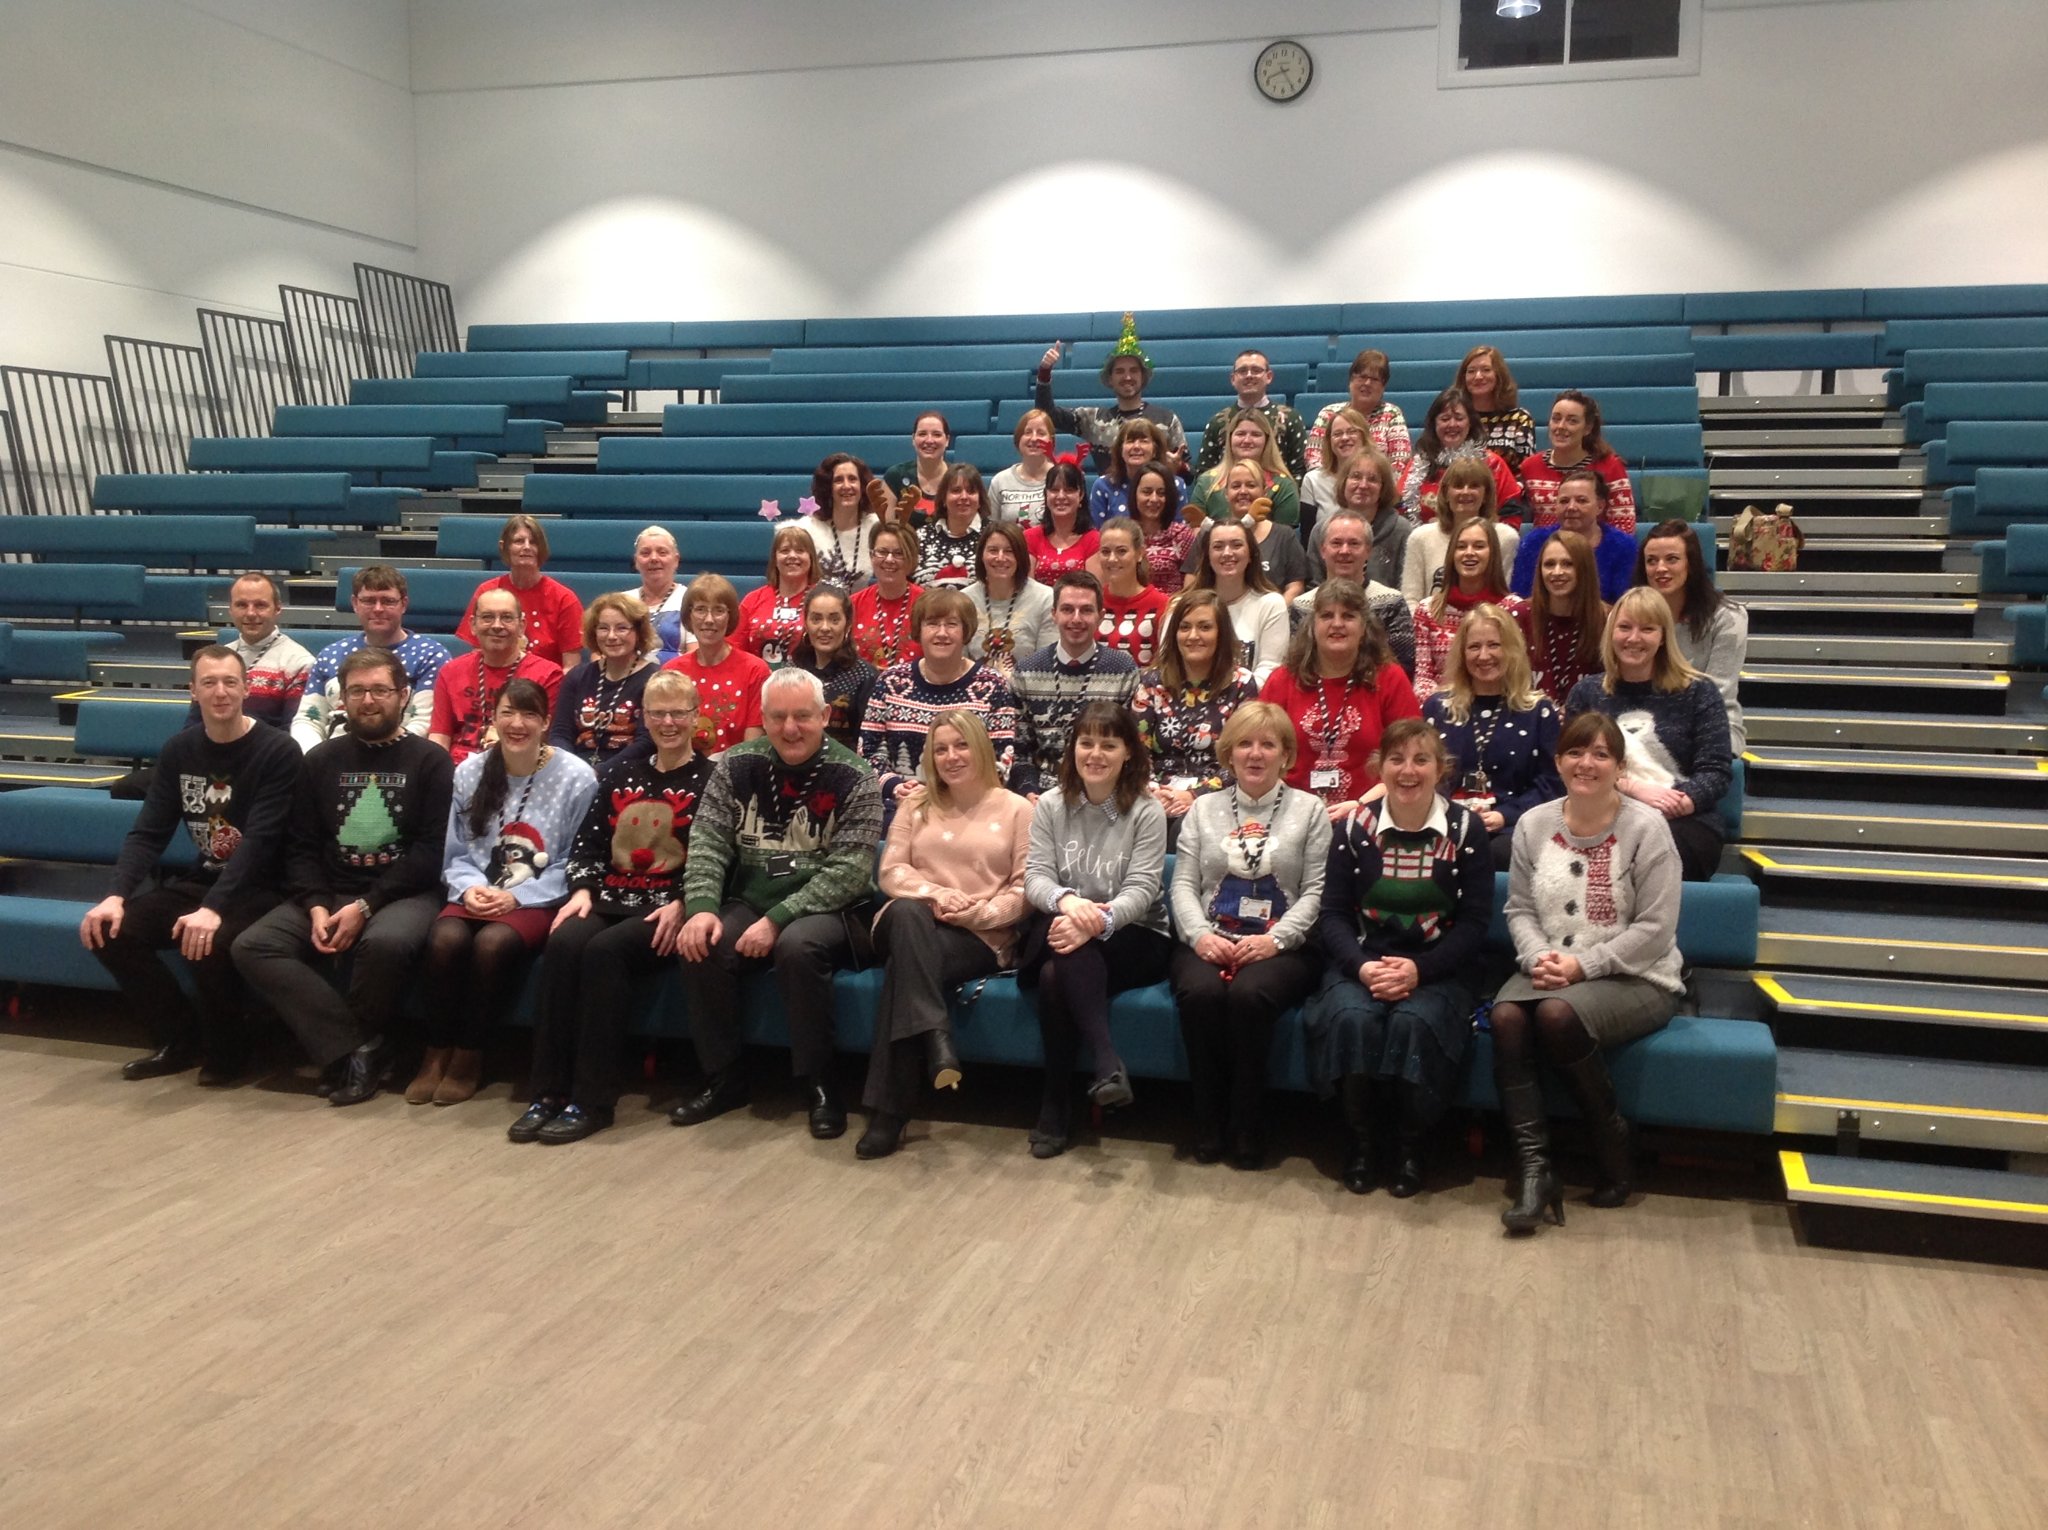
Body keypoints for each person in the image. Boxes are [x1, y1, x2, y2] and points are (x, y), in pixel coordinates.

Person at [232, 647, 456, 1106]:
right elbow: (301, 845)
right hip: (328, 889)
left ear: (403, 695)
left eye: (379, 690)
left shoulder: (431, 761)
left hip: (403, 893)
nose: (368, 701)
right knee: (253, 945)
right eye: (357, 691)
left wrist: (366, 906)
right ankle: (358, 1048)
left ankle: (350, 1054)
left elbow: (430, 852)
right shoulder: (319, 760)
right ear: (342, 699)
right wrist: (316, 904)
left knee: (386, 943)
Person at [1491, 711, 1684, 1233]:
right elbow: (1519, 911)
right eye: (1576, 752)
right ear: (1558, 762)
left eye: (1601, 754)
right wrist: (1537, 959)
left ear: (1620, 767)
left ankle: (1613, 1145)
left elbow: (1657, 929)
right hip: (1552, 964)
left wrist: (1586, 965)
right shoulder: (1534, 824)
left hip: (1637, 975)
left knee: (1555, 1016)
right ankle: (1536, 1173)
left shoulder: (1648, 829)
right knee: (1506, 1017)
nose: (1587, 763)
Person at [673, 668, 884, 1139]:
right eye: (779, 717)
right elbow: (707, 843)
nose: (791, 728)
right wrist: (702, 905)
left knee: (797, 948)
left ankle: (821, 1084)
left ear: (825, 716)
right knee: (702, 942)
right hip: (749, 896)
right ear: (763, 719)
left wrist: (777, 919)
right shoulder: (734, 765)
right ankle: (725, 1078)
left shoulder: (856, 775)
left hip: (833, 909)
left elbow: (849, 873)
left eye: (803, 716)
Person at [83, 646, 300, 1083]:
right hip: (206, 879)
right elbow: (149, 832)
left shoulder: (278, 750)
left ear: (246, 689)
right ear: (193, 692)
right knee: (110, 931)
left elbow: (260, 842)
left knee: (207, 937)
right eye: (209, 683)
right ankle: (180, 1039)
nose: (220, 692)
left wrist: (213, 907)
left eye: (230, 682)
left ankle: (231, 1049)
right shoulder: (180, 749)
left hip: (266, 887)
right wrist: (115, 896)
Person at [518, 670, 712, 1144]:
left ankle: (592, 1100)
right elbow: (587, 846)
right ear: (644, 717)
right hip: (606, 896)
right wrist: (581, 891)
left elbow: (715, 854)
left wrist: (686, 902)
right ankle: (545, 1093)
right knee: (564, 943)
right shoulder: (619, 774)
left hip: (663, 908)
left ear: (694, 717)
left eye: (678, 713)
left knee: (605, 953)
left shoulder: (712, 780)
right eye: (658, 713)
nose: (668, 722)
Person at [1307, 719, 1494, 1197]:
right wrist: (1363, 967)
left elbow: (1474, 925)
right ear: (1379, 767)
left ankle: (1411, 1147)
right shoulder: (1352, 828)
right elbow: (1332, 916)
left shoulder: (1466, 829)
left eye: (1420, 759)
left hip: (1439, 967)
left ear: (1441, 769)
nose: (1408, 770)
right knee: (1351, 1017)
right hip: (1364, 960)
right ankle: (1363, 1145)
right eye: (1396, 759)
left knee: (1415, 1021)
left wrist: (1419, 970)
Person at [409, 678, 598, 1107]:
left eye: (529, 714)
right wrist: (470, 887)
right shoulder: (470, 772)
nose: (517, 723)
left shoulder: (576, 777)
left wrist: (519, 896)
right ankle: (435, 1051)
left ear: (546, 722)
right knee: (445, 939)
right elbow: (454, 850)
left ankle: (469, 1056)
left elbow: (576, 858)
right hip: (474, 890)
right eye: (508, 712)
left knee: (492, 944)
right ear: (492, 719)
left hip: (537, 895)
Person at [855, 710, 1032, 1159]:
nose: (951, 757)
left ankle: (889, 1115)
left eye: (961, 745)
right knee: (911, 917)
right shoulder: (916, 804)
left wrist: (981, 914)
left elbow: (1026, 888)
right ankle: (936, 1036)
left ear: (981, 748)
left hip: (975, 938)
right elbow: (892, 871)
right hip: (908, 918)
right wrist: (936, 897)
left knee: (907, 968)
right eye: (940, 748)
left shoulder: (1018, 809)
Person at [1169, 702, 1330, 1169]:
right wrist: (1199, 936)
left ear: (1285, 754)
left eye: (1268, 744)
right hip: (1209, 934)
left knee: (1248, 995)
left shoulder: (1310, 810)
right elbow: (1182, 884)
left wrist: (1276, 941)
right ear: (1229, 752)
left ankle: (1246, 1122)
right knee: (1198, 993)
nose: (1255, 754)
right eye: (1244, 743)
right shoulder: (1203, 810)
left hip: (1285, 943)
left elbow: (1317, 891)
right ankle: (1206, 1119)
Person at [1021, 702, 1173, 1157]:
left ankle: (1056, 1103)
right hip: (1068, 923)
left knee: (1057, 969)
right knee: (1057, 963)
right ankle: (1106, 1065)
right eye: (1086, 742)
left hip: (1137, 934)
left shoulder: (1147, 811)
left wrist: (1099, 920)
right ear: (1073, 749)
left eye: (1109, 744)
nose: (1096, 753)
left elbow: (1144, 888)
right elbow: (1036, 878)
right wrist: (1070, 904)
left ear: (1129, 752)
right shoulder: (1050, 805)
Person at [1565, 587, 1732, 882]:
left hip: (1683, 819)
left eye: (1647, 629)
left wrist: (1677, 802)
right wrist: (1633, 790)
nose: (1633, 638)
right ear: (1610, 633)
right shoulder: (1586, 693)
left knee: (1651, 852)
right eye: (1625, 627)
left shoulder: (1699, 692)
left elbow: (1716, 772)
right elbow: (1573, 767)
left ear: (1663, 636)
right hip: (1602, 812)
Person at [1261, 579, 1421, 818]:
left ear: (1364, 627)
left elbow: (1412, 757)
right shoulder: (1283, 680)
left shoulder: (1390, 679)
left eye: (1348, 616)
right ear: (1312, 626)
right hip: (1289, 813)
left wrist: (1362, 805)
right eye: (1326, 616)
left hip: (1370, 812)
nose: (1337, 624)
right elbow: (1255, 749)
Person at [1422, 605, 1562, 867]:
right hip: (1444, 821)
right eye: (1474, 647)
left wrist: (1505, 815)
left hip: (1513, 827)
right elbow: (1426, 774)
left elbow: (1551, 784)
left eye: (1494, 645)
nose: (1484, 656)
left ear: (1511, 650)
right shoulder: (1437, 707)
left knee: (1497, 853)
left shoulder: (1539, 712)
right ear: (1462, 654)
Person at [859, 588, 1022, 802]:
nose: (942, 633)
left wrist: (950, 794)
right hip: (901, 805)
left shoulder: (992, 685)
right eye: (932, 623)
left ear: (966, 631)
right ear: (919, 629)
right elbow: (868, 751)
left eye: (952, 624)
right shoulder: (890, 681)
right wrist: (896, 787)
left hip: (969, 807)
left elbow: (1003, 757)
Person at [1129, 590, 1259, 818]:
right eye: (1185, 627)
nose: (1193, 636)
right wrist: (1155, 793)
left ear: (1221, 634)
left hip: (1219, 799)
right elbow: (1138, 752)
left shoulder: (1241, 684)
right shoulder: (1151, 683)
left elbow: (1244, 757)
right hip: (1157, 798)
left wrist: (1194, 795)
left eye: (1205, 627)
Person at [1010, 571, 1139, 794]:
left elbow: (1130, 747)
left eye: (1086, 610)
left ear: (1100, 615)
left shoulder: (1123, 670)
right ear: (1054, 614)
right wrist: (1028, 792)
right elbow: (1020, 750)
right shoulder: (1026, 672)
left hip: (1104, 790)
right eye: (1067, 609)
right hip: (1041, 792)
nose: (1076, 619)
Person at [291, 565, 448, 749]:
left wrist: (377, 756)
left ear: (403, 604)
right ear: (355, 603)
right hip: (332, 759)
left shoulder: (430, 655)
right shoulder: (330, 655)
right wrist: (315, 758)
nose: (378, 609)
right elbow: (308, 719)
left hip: (399, 758)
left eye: (388, 601)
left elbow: (422, 723)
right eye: (368, 601)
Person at [1637, 519, 1749, 752]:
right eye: (1652, 561)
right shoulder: (1633, 616)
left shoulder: (1728, 618)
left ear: (1691, 564)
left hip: (1712, 726)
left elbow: (1716, 696)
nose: (1660, 569)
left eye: (1672, 559)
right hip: (1642, 722)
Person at [428, 585, 565, 764]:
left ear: (522, 625)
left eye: (507, 617)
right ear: (472, 625)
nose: (497, 625)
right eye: (487, 617)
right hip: (457, 771)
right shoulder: (450, 671)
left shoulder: (548, 674)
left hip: (516, 768)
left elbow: (543, 741)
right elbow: (440, 736)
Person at [1034, 317, 1187, 475]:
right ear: (1110, 379)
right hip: (1107, 499)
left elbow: (1189, 474)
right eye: (1120, 371)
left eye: (1133, 371)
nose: (1127, 377)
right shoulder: (1094, 420)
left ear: (1143, 377)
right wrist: (1044, 372)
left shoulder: (1167, 420)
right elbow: (1047, 415)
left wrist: (1178, 467)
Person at [1412, 520, 1531, 703]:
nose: (1469, 553)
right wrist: (1451, 705)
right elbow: (1422, 678)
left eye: (1479, 546)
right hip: (1444, 711)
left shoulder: (1514, 609)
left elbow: (1518, 674)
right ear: (1452, 554)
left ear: (1492, 554)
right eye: (1461, 546)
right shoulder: (1427, 610)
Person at [1293, 507, 1414, 676]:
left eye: (1354, 543)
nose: (1344, 551)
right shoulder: (1301, 607)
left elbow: (1405, 667)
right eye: (1336, 543)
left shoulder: (1392, 602)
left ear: (1368, 551)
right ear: (1322, 550)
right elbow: (1296, 666)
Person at [183, 573, 312, 731]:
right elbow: (193, 727)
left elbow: (293, 732)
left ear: (277, 608)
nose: (250, 613)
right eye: (242, 605)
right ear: (230, 609)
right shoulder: (211, 662)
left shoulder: (299, 663)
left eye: (260, 605)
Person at [455, 513, 585, 668]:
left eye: (534, 542)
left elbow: (571, 668)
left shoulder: (564, 598)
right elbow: (478, 653)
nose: (527, 547)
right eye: (519, 541)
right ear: (504, 547)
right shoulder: (487, 592)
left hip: (545, 687)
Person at [661, 574, 769, 754]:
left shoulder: (755, 671)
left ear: (730, 616)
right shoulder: (672, 672)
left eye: (718, 610)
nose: (709, 619)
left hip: (735, 774)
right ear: (689, 615)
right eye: (701, 609)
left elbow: (751, 750)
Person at [550, 593, 655, 768]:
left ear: (638, 632)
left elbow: (646, 742)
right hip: (576, 772)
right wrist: (571, 769)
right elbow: (560, 733)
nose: (612, 636)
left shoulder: (653, 680)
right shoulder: (577, 676)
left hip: (629, 771)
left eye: (622, 628)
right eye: (604, 628)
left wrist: (601, 771)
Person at [1400, 457, 1522, 604]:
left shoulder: (1506, 538)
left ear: (1486, 495)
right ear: (1445, 494)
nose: (1465, 492)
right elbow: (1410, 600)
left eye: (1474, 486)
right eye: (1458, 486)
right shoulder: (1420, 538)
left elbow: (1504, 599)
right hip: (1430, 623)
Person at [1510, 468, 1637, 603]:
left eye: (1581, 501)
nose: (1571, 507)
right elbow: (1519, 599)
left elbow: (1626, 607)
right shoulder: (1534, 542)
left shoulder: (1623, 547)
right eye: (1564, 501)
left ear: (1600, 506)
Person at [1519, 390, 1638, 534]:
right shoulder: (1530, 466)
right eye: (1556, 419)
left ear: (1587, 428)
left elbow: (1624, 526)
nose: (1561, 426)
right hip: (1547, 551)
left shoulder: (1610, 466)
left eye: (1572, 421)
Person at [1187, 517, 1290, 681]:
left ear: (1250, 555)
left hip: (1251, 704)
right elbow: (1169, 665)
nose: (1227, 553)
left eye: (1237, 545)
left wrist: (1230, 700)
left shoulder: (1271, 604)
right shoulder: (1183, 607)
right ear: (1207, 556)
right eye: (1218, 546)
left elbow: (1270, 672)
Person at [1405, 387, 1524, 528]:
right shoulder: (1417, 466)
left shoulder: (1492, 464)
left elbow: (1512, 513)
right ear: (1434, 424)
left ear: (1470, 423)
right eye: (1445, 419)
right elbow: (1400, 509)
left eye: (1459, 418)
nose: (1452, 424)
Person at [1308, 445, 1410, 593]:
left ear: (1383, 488)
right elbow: (1315, 586)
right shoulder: (1322, 529)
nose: (1363, 485)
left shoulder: (1401, 530)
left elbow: (1406, 589)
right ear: (1344, 482)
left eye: (1373, 479)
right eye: (1356, 476)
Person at [1305, 347, 1411, 484]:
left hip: (1376, 491)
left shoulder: (1391, 414)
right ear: (1351, 380)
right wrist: (1339, 486)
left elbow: (1400, 463)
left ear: (1383, 386)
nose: (1367, 383)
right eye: (1362, 377)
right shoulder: (1328, 414)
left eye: (1374, 379)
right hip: (1330, 490)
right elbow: (1313, 457)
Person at [790, 583, 877, 749]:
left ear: (848, 624)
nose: (824, 628)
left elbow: (866, 743)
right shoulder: (792, 670)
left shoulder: (865, 676)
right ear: (806, 623)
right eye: (816, 619)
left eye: (834, 619)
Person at [1196, 350, 1308, 478]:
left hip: (1279, 494)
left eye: (1256, 370)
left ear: (1269, 376)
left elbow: (1299, 470)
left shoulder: (1290, 418)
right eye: (1242, 371)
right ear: (1233, 379)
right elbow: (1204, 473)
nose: (1249, 375)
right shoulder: (1218, 421)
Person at [963, 520, 1052, 675]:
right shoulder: (963, 600)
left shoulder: (1046, 599)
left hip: (1027, 692)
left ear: (1021, 556)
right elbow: (958, 662)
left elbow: (1046, 665)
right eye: (993, 550)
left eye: (1009, 551)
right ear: (981, 555)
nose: (1000, 558)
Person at [1529, 530, 1607, 705]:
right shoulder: (1518, 617)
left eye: (1567, 564)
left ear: (1584, 569)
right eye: (1549, 564)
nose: (1557, 572)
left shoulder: (1608, 620)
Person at [1191, 410, 1301, 529]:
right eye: (1240, 434)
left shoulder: (1284, 486)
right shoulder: (1206, 482)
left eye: (1255, 434)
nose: (1247, 440)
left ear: (1267, 440)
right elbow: (1196, 534)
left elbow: (1284, 540)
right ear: (1230, 438)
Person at [1217, 462, 1309, 600]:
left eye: (1251, 485)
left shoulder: (1284, 536)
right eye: (1236, 486)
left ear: (1264, 492)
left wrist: (1275, 614)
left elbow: (1295, 586)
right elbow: (1194, 582)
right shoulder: (1210, 535)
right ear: (1226, 493)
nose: (1243, 491)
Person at [735, 521, 820, 666]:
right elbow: (735, 649)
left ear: (811, 558)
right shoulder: (752, 600)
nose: (792, 556)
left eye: (800, 550)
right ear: (775, 559)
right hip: (759, 681)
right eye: (785, 551)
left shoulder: (822, 600)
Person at [1092, 517, 1171, 667]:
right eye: (1105, 552)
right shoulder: (1091, 603)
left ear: (1140, 553)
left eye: (1121, 551)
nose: (1112, 559)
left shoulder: (1162, 606)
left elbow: (1167, 667)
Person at [801, 453, 887, 590]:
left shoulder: (878, 527)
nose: (846, 486)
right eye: (838, 480)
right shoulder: (806, 530)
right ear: (828, 488)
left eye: (852, 479)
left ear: (862, 485)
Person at [849, 521, 924, 671]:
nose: (889, 560)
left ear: (912, 557)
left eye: (898, 553)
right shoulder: (852, 604)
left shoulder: (927, 604)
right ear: (871, 555)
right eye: (882, 552)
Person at [912, 462, 990, 589]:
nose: (964, 497)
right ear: (943, 498)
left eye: (971, 491)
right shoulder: (920, 537)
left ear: (980, 499)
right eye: (956, 491)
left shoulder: (993, 536)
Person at [1454, 345, 1537, 464]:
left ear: (1499, 375)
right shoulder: (1456, 419)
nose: (1478, 376)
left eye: (1486, 370)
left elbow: (1525, 468)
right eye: (1471, 371)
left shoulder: (1520, 418)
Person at [1298, 405, 1372, 534]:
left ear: (1364, 436)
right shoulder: (1313, 480)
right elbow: (1307, 538)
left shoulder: (1376, 477)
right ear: (1329, 442)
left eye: (1352, 431)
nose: (1344, 438)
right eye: (1337, 434)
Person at [1022, 460, 1099, 582]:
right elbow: (1026, 589)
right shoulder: (1029, 537)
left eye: (1069, 490)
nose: (1061, 496)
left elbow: (1094, 591)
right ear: (1046, 495)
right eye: (1054, 490)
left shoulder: (1094, 540)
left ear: (1081, 495)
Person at [1129, 461, 1196, 596]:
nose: (1154, 499)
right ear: (1134, 494)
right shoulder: (1124, 534)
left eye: (1161, 493)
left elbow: (1192, 590)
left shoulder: (1183, 535)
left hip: (1172, 609)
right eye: (1147, 492)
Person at [1088, 418, 1170, 523]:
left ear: (1155, 450)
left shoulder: (1174, 485)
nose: (1136, 446)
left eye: (1144, 441)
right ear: (1120, 449)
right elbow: (1096, 533)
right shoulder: (1103, 486)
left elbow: (1179, 533)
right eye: (1130, 441)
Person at [624, 525, 685, 660]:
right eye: (645, 553)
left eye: (662, 552)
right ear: (636, 562)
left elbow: (698, 655)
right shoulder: (622, 602)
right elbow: (600, 654)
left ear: (676, 560)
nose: (654, 558)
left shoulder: (690, 600)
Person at [987, 409, 1055, 527]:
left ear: (1051, 441)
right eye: (1027, 432)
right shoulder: (1000, 481)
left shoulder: (1062, 477)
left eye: (1041, 433)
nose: (1034, 439)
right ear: (1018, 439)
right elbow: (990, 528)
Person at [883, 410, 952, 518]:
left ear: (947, 440)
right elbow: (886, 528)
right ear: (913, 439)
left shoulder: (958, 478)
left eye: (937, 434)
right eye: (922, 434)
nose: (929, 440)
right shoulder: (895, 476)